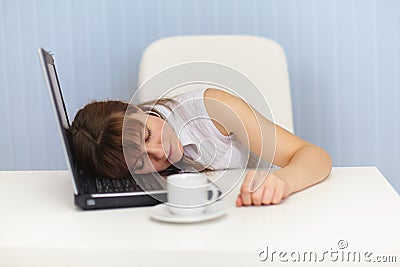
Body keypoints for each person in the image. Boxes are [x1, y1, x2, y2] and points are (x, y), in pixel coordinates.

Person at [69, 88, 332, 207]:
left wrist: (281, 182)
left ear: (137, 109)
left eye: (147, 135)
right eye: (141, 163)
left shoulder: (213, 109)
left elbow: (314, 155)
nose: (159, 153)